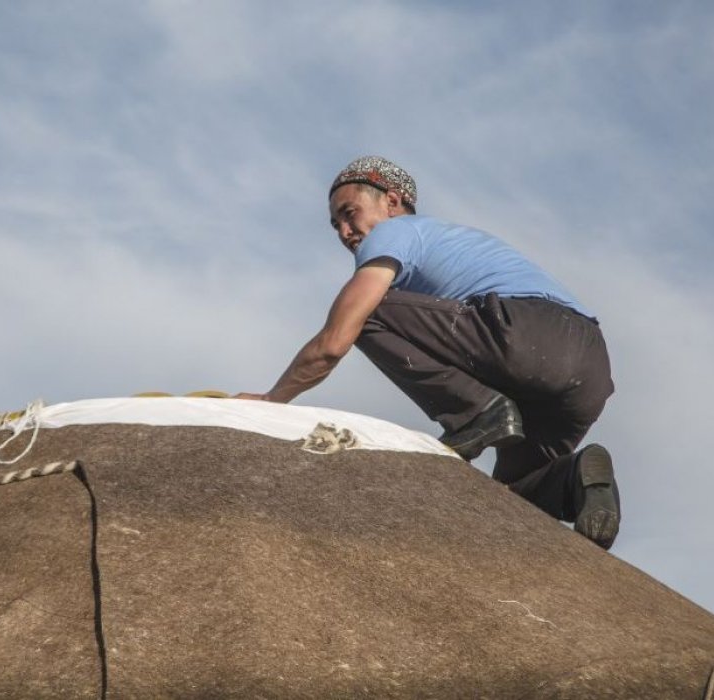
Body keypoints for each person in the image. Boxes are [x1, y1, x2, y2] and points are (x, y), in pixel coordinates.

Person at [235, 156, 620, 550]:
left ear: (392, 202)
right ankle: (576, 478)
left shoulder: (396, 233)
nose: (346, 232)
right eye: (336, 225)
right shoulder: (451, 240)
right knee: (512, 500)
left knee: (365, 312)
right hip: (589, 368)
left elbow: (334, 342)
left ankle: (477, 412)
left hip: (526, 331)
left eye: (350, 214)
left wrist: (271, 401)